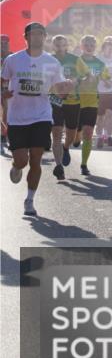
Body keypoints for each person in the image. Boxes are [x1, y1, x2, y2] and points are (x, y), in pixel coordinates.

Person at [1, 23, 73, 216]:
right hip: (17, 117)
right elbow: (2, 82)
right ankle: (16, 166)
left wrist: (66, 89)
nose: (37, 37)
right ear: (25, 37)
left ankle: (30, 200)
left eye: (40, 34)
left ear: (45, 37)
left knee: (35, 159)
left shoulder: (52, 62)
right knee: (22, 160)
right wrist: (3, 94)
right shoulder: (13, 60)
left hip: (41, 116)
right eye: (33, 34)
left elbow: (60, 93)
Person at [49, 34, 88, 180]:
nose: (60, 47)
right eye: (57, 45)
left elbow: (87, 75)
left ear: (67, 46)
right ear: (53, 46)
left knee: (71, 135)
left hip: (73, 101)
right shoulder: (48, 59)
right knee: (56, 134)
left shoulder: (75, 59)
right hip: (55, 100)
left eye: (63, 44)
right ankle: (59, 166)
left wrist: (76, 81)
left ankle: (65, 148)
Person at [75, 34, 112, 176]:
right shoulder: (76, 62)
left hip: (92, 102)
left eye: (92, 45)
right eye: (86, 45)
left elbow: (107, 78)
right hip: (76, 101)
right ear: (81, 46)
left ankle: (84, 164)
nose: (89, 47)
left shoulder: (100, 64)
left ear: (95, 47)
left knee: (88, 133)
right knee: (76, 133)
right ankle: (75, 136)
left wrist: (109, 82)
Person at [96, 36, 112, 148]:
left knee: (110, 115)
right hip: (99, 91)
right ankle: (99, 137)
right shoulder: (98, 60)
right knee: (100, 117)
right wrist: (104, 80)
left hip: (111, 92)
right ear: (103, 49)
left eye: (111, 48)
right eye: (107, 48)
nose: (109, 50)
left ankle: (108, 136)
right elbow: (95, 73)